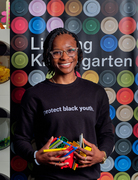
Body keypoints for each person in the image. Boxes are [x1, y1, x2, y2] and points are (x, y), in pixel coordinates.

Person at [13, 28, 114, 180]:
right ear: (49, 56)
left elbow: (107, 134)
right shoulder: (34, 94)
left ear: (78, 53)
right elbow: (20, 139)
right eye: (57, 52)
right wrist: (35, 157)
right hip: (49, 177)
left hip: (88, 177)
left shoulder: (96, 92)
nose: (65, 57)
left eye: (70, 50)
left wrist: (102, 155)